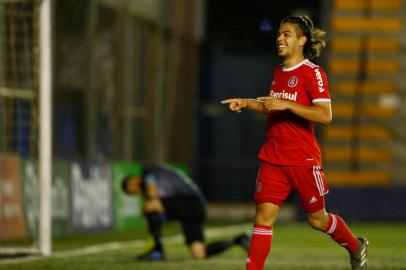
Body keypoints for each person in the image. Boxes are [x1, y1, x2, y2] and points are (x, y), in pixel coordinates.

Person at [221, 15, 368, 270]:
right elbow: (273, 108)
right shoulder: (278, 71)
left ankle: (356, 246)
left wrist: (287, 104)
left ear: (301, 40)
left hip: (303, 159)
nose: (279, 38)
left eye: (286, 34)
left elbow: (325, 115)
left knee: (317, 220)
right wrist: (246, 102)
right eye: (279, 34)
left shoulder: (313, 73)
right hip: (273, 158)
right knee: (263, 218)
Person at [122, 162, 250, 261]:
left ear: (134, 180)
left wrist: (152, 208)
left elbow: (151, 194)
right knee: (199, 254)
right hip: (195, 208)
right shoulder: (151, 179)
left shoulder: (149, 171)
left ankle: (157, 251)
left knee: (150, 207)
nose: (135, 193)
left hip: (189, 202)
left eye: (132, 190)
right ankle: (238, 240)